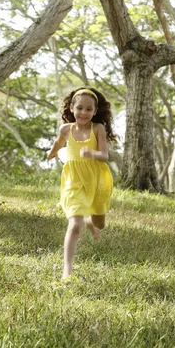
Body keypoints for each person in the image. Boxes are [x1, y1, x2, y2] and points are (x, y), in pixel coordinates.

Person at [47, 86, 116, 280]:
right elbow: (58, 143)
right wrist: (51, 153)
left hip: (96, 180)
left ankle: (90, 222)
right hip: (74, 181)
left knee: (99, 223)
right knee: (74, 224)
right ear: (71, 108)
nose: (83, 112)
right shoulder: (66, 129)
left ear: (94, 111)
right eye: (79, 108)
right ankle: (67, 272)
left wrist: (92, 153)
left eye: (88, 109)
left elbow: (104, 155)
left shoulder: (98, 128)